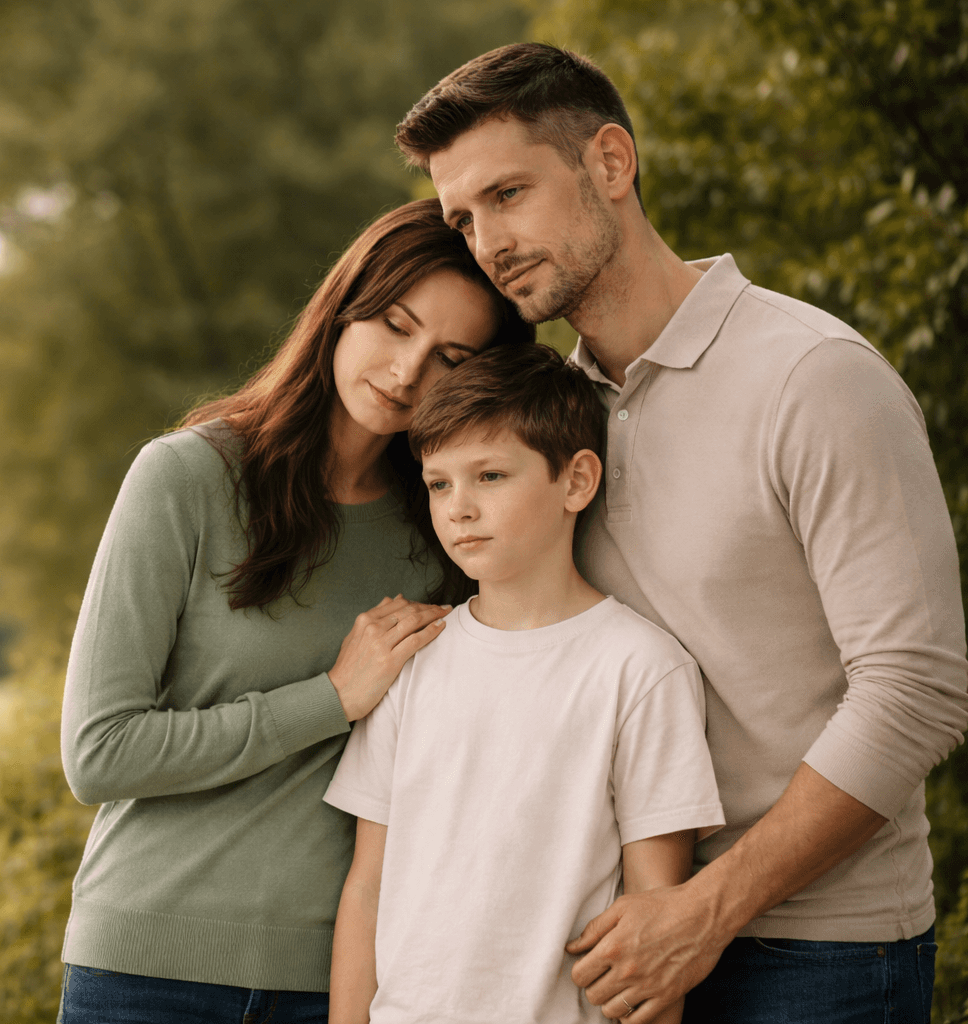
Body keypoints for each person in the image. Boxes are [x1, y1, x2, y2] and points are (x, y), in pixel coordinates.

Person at [393, 42, 968, 1023]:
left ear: (611, 164)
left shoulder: (817, 378)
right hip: (622, 940)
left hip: (819, 954)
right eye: (463, 217)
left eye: (509, 194)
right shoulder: (550, 423)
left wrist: (709, 907)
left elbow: (918, 689)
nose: (485, 241)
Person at [57, 198, 535, 1023]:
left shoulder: (448, 528)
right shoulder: (187, 479)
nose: (408, 371)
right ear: (343, 306)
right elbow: (99, 753)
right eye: (394, 324)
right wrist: (332, 697)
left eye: (450, 356)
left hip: (337, 982)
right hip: (147, 970)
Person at [325, 342, 725, 1024]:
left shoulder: (641, 670)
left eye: (490, 476)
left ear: (575, 481)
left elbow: (656, 918)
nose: (459, 508)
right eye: (439, 483)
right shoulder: (415, 661)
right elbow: (366, 888)